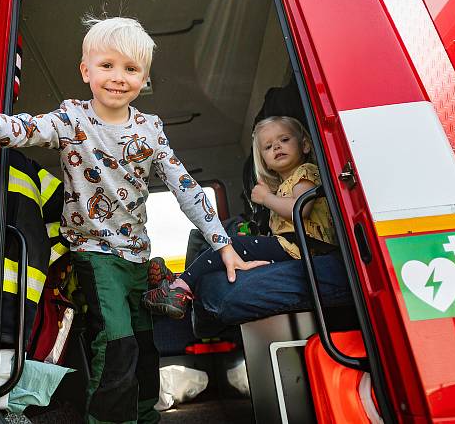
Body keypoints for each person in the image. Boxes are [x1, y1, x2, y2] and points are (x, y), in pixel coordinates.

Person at [0, 16, 265, 424]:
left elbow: (185, 186)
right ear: (86, 71)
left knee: (145, 348)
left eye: (131, 69)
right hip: (95, 254)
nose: (118, 77)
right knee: (116, 345)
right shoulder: (71, 120)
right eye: (107, 65)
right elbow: (21, 130)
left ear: (144, 78)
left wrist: (223, 245)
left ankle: (146, 415)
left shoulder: (151, 129)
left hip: (138, 258)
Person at [143, 115, 338, 319]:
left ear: (305, 145)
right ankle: (178, 283)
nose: (277, 147)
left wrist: (266, 198)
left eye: (285, 140)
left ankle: (179, 287)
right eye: (269, 146)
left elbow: (300, 209)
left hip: (305, 246)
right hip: (292, 246)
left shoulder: (307, 171)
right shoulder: (283, 186)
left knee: (227, 245)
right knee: (225, 249)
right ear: (265, 162)